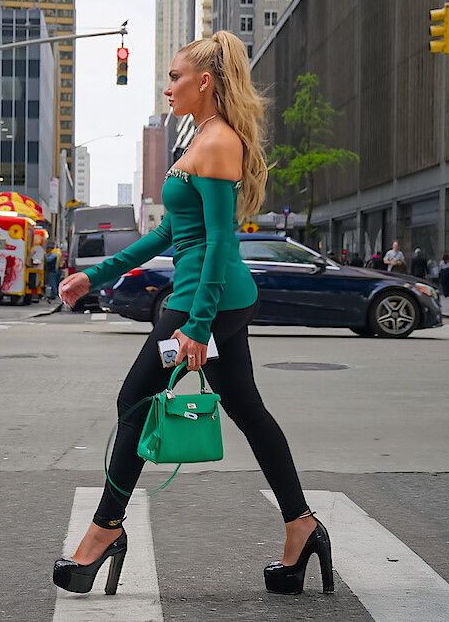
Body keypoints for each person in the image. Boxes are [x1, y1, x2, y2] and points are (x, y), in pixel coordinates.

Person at [53, 31, 330, 598]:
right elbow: (166, 234)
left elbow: (222, 241)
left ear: (204, 81)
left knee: (135, 401)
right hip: (207, 296)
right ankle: (302, 526)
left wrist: (198, 327)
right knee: (247, 410)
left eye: (175, 77)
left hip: (205, 300)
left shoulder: (219, 141)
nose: (168, 87)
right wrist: (94, 276)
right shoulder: (201, 138)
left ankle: (105, 529)